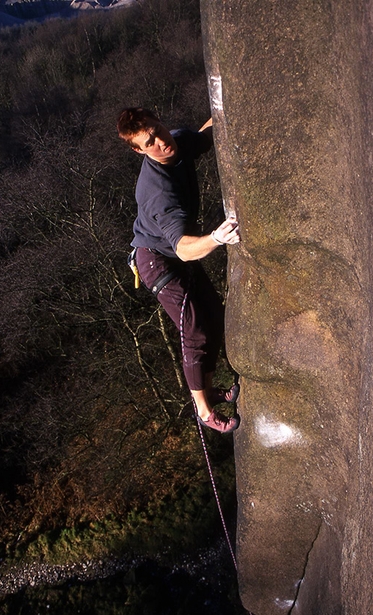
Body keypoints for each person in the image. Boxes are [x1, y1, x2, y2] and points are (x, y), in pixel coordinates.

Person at [117, 107, 241, 433]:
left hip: (173, 251)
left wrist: (225, 102)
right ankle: (203, 411)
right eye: (149, 143)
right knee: (195, 329)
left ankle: (209, 389)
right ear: (139, 151)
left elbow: (204, 136)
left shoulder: (178, 141)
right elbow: (185, 249)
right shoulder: (158, 191)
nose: (160, 142)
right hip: (157, 259)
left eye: (158, 131)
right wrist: (216, 237)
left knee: (213, 313)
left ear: (160, 121)